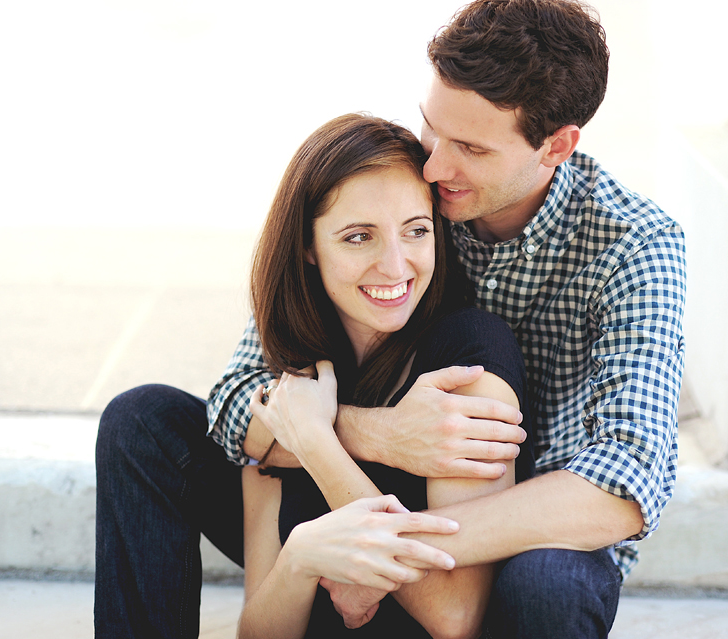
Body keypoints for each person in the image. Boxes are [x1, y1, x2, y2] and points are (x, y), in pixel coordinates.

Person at [96, 1, 686, 637]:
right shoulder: (406, 189)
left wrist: (381, 550)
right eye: (433, 127)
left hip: (519, 535)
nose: (433, 167)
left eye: (470, 148)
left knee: (551, 585)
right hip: (345, 485)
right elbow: (243, 400)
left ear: (557, 146)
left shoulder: (634, 245)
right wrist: (377, 437)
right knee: (143, 423)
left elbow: (626, 483)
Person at [234, 112, 533, 638]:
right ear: (307, 246)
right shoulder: (295, 376)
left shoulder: (470, 355)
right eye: (358, 237)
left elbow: (455, 615)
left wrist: (317, 446)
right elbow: (257, 629)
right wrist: (301, 557)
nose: (395, 267)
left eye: (416, 231)